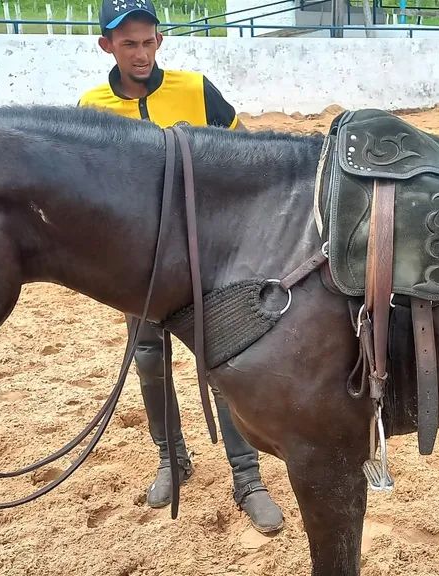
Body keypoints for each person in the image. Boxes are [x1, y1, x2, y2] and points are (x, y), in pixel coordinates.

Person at [77, 0, 284, 535]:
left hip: (205, 259)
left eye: (148, 41)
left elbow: (245, 155)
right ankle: (172, 459)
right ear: (107, 46)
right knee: (149, 361)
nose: (141, 53)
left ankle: (248, 477)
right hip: (139, 265)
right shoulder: (91, 108)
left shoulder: (195, 89)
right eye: (128, 44)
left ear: (159, 41)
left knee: (222, 362)